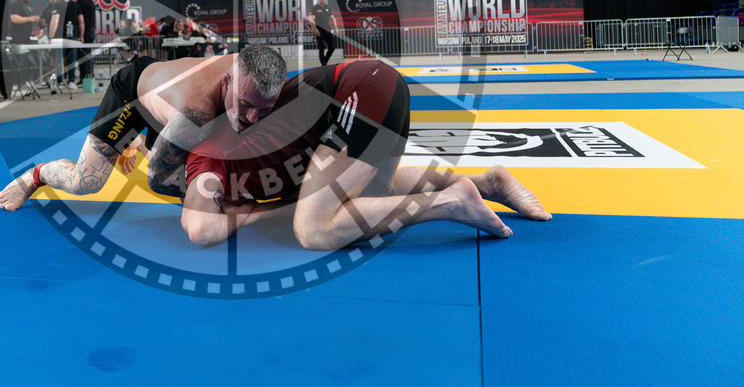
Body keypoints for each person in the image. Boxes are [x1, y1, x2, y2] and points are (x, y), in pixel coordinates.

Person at [180, 60, 551, 249]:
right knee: (368, 196)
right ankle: (486, 182)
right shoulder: (243, 137)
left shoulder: (206, 155)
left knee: (313, 230)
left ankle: (451, 202)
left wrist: (254, 216)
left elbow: (199, 230)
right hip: (382, 86)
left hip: (359, 92)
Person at [0, 45, 288, 210]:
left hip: (168, 94)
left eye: (264, 107)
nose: (253, 116)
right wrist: (225, 199)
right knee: (85, 182)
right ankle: (36, 174)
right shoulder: (195, 113)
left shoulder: (258, 74)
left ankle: (136, 143)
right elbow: (157, 179)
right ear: (226, 82)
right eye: (245, 104)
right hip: (133, 95)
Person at [72, 0, 96, 82]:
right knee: (85, 55)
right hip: (88, 32)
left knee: (84, 55)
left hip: (85, 32)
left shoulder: (83, 4)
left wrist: (80, 34)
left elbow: (82, 21)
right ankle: (86, 76)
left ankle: (85, 78)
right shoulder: (88, 2)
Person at [309, 0, 338, 67]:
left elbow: (333, 18)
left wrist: (336, 28)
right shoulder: (314, 8)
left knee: (332, 47)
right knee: (321, 49)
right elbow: (311, 19)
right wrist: (315, 29)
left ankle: (324, 62)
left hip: (327, 30)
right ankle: (324, 65)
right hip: (319, 31)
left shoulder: (327, 7)